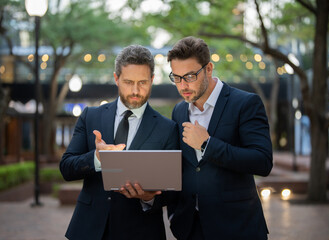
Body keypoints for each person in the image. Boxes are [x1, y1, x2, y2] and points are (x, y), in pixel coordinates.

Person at [60, 45, 179, 240]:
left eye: (142, 82)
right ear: (116, 79)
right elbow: (66, 167)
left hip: (141, 231)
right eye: (128, 82)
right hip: (90, 230)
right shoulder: (90, 116)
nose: (135, 90)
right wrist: (98, 159)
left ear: (152, 80)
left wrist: (149, 198)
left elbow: (174, 192)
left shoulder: (168, 128)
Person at [167, 36, 273, 240]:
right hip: (190, 228)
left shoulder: (245, 103)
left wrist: (207, 145)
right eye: (177, 77)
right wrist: (173, 213)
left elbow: (262, 161)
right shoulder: (179, 111)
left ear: (208, 69)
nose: (183, 85)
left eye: (189, 76)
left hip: (237, 227)